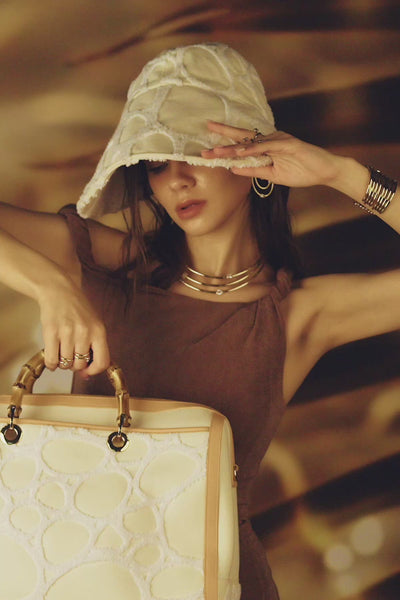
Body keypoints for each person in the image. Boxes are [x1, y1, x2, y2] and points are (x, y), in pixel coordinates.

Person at [0, 43, 399, 600]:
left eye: (193, 152)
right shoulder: (110, 265)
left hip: (215, 582)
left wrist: (340, 173)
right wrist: (50, 284)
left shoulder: (298, 316)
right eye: (157, 163)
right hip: (81, 573)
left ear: (256, 160)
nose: (177, 180)